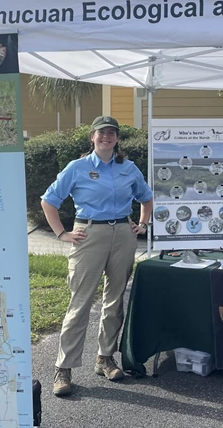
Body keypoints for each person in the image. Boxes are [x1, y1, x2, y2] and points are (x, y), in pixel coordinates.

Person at [40, 116, 154, 397]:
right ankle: (63, 368)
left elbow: (146, 197)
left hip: (123, 235)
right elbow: (49, 200)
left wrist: (143, 223)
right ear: (92, 137)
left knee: (115, 301)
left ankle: (105, 358)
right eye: (101, 133)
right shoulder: (77, 167)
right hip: (89, 234)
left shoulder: (128, 168)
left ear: (117, 138)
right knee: (80, 303)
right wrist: (61, 233)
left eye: (111, 133)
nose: (107, 137)